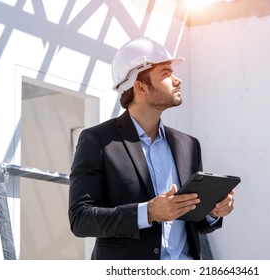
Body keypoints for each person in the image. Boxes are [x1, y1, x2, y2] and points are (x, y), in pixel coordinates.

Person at [68, 37, 235, 260]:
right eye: (166, 74)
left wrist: (213, 212)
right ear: (140, 87)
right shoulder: (97, 140)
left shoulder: (189, 145)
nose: (178, 81)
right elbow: (81, 219)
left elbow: (196, 221)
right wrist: (147, 213)